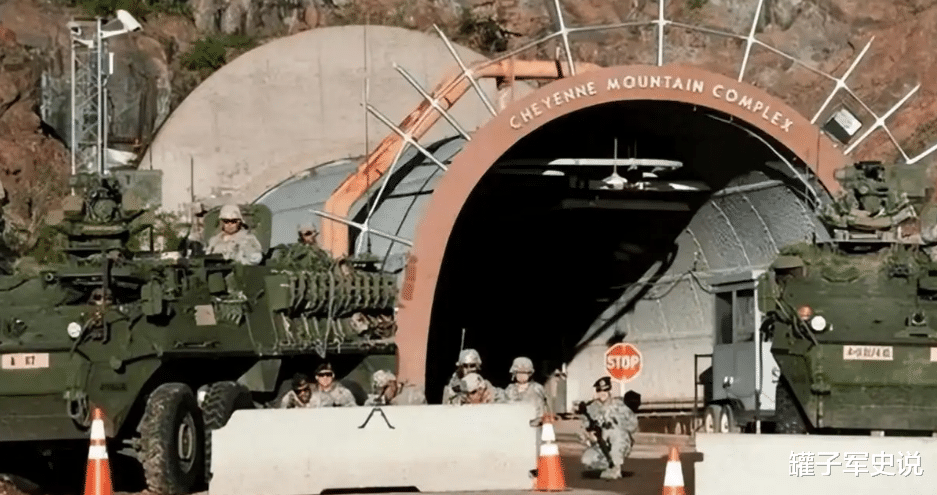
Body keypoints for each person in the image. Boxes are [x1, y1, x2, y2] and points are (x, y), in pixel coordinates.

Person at [578, 376, 639, 480]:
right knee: (587, 459)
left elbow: (634, 425)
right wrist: (588, 437)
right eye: (600, 390)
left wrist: (618, 425)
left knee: (615, 433)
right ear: (596, 392)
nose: (603, 393)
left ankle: (616, 466)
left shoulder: (619, 405)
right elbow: (582, 429)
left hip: (620, 442)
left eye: (605, 390)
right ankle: (610, 465)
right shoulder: (590, 408)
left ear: (609, 390)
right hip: (600, 443)